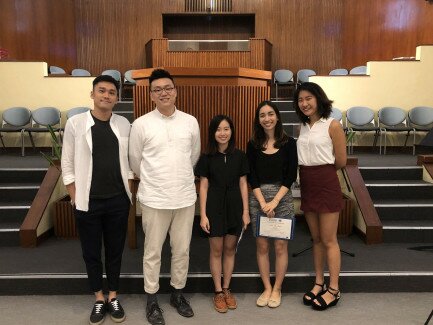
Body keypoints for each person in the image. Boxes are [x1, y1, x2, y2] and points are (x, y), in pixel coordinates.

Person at [129, 69, 201, 325]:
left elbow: (193, 157)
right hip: (154, 199)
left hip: (184, 197)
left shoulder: (190, 122)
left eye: (168, 88)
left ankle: (177, 294)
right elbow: (135, 162)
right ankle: (151, 299)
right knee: (153, 252)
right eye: (157, 89)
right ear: (150, 96)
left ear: (175, 91)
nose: (164, 93)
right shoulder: (141, 124)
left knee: (181, 251)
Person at [61, 75, 133, 324]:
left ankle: (113, 295)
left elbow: (129, 160)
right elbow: (67, 162)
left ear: (117, 98)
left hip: (117, 200)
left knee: (115, 251)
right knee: (91, 253)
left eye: (112, 92)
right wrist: (73, 195)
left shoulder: (124, 123)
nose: (106, 96)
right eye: (101, 91)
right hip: (87, 201)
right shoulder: (75, 123)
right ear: (92, 94)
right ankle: (99, 298)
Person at [294, 82, 346, 311]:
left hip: (325, 181)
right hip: (307, 182)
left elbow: (341, 161)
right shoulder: (301, 127)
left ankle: (334, 288)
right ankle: (318, 282)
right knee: (315, 239)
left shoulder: (333, 125)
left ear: (318, 98)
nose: (304, 103)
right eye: (300, 100)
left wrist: (322, 174)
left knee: (329, 239)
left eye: (308, 98)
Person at [195, 115, 250, 313]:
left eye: (226, 129)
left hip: (235, 206)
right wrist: (203, 214)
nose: (223, 133)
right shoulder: (206, 157)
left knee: (230, 249)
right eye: (218, 129)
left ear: (232, 131)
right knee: (216, 250)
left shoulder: (240, 155)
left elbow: (244, 184)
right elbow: (203, 185)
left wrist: (245, 212)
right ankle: (217, 292)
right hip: (213, 207)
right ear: (212, 133)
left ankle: (227, 288)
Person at [246, 101, 298, 308]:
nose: (266, 118)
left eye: (270, 114)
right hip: (258, 199)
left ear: (277, 117)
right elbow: (252, 177)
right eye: (262, 115)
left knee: (280, 245)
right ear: (258, 120)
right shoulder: (252, 145)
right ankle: (267, 287)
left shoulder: (290, 143)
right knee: (261, 245)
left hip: (282, 199)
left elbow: (290, 176)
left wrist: (274, 201)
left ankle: (277, 288)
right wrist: (263, 202)